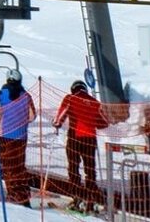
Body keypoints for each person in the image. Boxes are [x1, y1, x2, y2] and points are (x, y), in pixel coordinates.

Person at [54, 79, 106, 208]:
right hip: (90, 140)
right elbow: (103, 124)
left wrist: (57, 123)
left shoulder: (70, 98)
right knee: (90, 170)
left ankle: (77, 197)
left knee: (73, 168)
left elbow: (60, 117)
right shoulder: (95, 102)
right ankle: (91, 197)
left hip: (74, 138)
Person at [0, 69, 38, 206]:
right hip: (21, 136)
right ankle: (23, 194)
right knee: (19, 166)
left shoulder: (2, 94)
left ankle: (13, 194)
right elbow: (32, 116)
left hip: (6, 135)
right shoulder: (26, 96)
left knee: (8, 167)